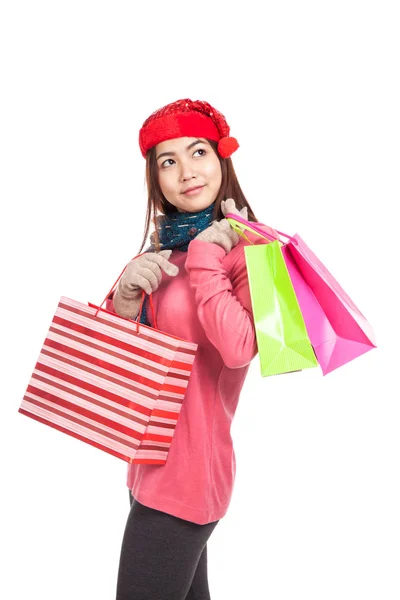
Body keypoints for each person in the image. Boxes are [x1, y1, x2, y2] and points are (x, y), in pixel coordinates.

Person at [106, 98, 276, 599]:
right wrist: (123, 298)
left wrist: (206, 256)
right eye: (168, 161)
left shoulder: (257, 252)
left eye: (198, 151)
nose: (186, 171)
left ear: (222, 159)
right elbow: (121, 358)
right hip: (146, 469)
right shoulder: (160, 252)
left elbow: (241, 348)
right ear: (155, 178)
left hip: (189, 478)